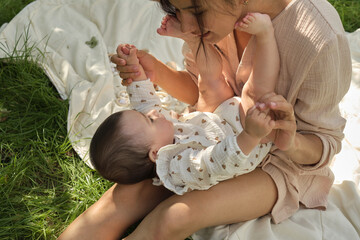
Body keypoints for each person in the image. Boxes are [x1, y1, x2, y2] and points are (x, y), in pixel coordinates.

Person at [58, 0, 352, 239]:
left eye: (196, 11)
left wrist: (289, 139)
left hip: (277, 160)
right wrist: (155, 72)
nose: (185, 25)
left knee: (173, 217)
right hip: (205, 136)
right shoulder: (212, 18)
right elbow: (202, 87)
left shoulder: (319, 37)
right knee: (118, 201)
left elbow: (324, 142)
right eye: (177, 9)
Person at [90, 13, 279, 192]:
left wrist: (135, 68)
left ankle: (193, 39)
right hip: (246, 137)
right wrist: (251, 136)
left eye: (144, 115)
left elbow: (144, 103)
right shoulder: (181, 168)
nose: (154, 113)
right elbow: (219, 161)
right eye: (150, 121)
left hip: (221, 118)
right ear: (155, 153)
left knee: (209, 80)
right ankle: (265, 35)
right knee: (257, 92)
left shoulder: (157, 138)